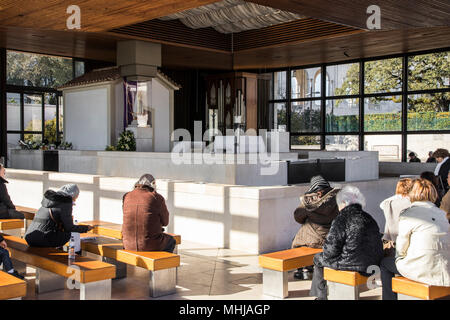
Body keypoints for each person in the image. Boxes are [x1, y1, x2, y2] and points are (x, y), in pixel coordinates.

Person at [309, 185, 384, 300]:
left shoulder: (342, 219)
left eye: (338, 204)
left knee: (318, 258)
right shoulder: (369, 217)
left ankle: (321, 297)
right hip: (374, 263)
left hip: (352, 264)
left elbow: (330, 252)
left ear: (343, 202)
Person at [380, 178, 450, 300]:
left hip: (422, 268)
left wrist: (401, 259)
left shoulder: (408, 214)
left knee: (385, 264)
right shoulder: (442, 214)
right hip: (445, 268)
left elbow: (401, 248)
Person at [291, 175, 340, 280]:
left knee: (298, 238)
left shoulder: (309, 203)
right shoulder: (337, 200)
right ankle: (309, 267)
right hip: (331, 240)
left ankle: (303, 270)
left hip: (314, 241)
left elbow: (298, 217)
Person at [25, 184, 93, 247]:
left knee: (59, 231)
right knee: (67, 234)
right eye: (75, 198)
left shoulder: (50, 200)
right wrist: (86, 228)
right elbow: (69, 227)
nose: (75, 200)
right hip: (42, 239)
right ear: (73, 195)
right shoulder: (65, 203)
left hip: (29, 237)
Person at [122, 174, 176, 253]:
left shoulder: (127, 196)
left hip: (128, 244)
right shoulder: (156, 197)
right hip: (150, 245)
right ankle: (160, 264)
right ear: (153, 184)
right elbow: (165, 222)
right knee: (171, 241)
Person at [379, 178, 413, 255]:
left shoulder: (389, 203)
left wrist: (397, 195)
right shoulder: (412, 202)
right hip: (409, 238)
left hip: (393, 239)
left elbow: (381, 205)